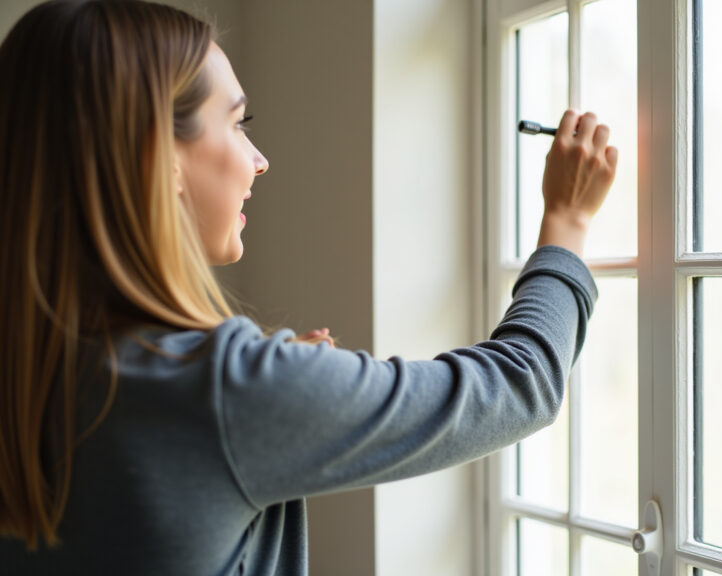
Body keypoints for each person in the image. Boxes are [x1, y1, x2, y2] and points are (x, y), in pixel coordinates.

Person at [0, 0, 617, 574]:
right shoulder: (224, 391)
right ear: (158, 157)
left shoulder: (37, 369)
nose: (259, 158)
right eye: (238, 124)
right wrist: (567, 222)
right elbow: (518, 385)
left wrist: (266, 387)